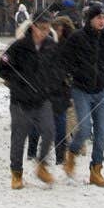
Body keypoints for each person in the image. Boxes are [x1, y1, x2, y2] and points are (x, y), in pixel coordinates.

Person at [0, 12, 58, 188]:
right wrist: (16, 83)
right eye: (43, 28)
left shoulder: (51, 46)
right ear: (33, 27)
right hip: (21, 101)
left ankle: (42, 165)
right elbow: (2, 68)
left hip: (42, 99)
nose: (46, 32)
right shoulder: (19, 46)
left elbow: (57, 68)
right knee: (19, 137)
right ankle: (16, 173)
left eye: (49, 28)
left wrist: (54, 84)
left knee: (49, 131)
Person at [61, 3, 104, 187]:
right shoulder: (77, 38)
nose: (102, 21)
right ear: (90, 19)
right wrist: (75, 74)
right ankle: (72, 154)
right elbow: (64, 60)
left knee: (101, 133)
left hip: (101, 91)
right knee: (84, 129)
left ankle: (96, 170)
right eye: (98, 17)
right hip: (81, 90)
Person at [32, 16, 75, 167]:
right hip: (46, 90)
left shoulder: (65, 45)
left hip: (58, 91)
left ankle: (59, 156)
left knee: (60, 123)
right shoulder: (37, 45)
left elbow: (66, 67)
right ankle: (35, 152)